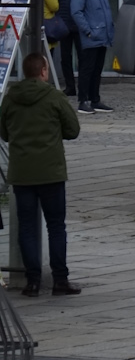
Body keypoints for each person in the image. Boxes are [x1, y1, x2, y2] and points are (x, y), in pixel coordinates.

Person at [0, 51, 82, 296]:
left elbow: (4, 132)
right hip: (51, 172)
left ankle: (32, 281)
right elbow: (73, 129)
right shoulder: (53, 97)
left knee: (26, 227)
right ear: (44, 72)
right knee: (56, 226)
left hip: (22, 172)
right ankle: (59, 280)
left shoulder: (10, 98)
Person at [69, 0, 115, 114]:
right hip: (91, 35)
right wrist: (87, 30)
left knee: (97, 69)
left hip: (102, 35)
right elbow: (76, 11)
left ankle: (95, 100)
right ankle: (83, 101)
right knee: (87, 69)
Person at [52, 0, 82, 96]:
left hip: (80, 25)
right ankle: (70, 87)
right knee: (65, 57)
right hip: (64, 26)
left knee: (83, 57)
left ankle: (83, 86)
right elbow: (56, 4)